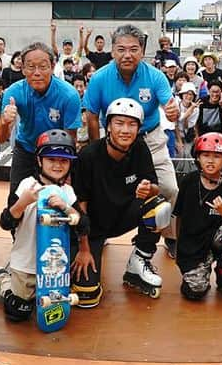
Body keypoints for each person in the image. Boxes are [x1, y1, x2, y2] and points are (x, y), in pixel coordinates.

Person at [82, 24, 180, 251]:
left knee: (169, 188)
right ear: (113, 50)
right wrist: (98, 149)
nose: (127, 55)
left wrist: (173, 111)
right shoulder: (99, 78)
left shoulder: (156, 77)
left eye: (134, 49)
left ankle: (170, 235)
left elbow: (169, 104)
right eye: (121, 49)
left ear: (143, 50)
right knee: (101, 191)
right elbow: (92, 116)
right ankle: (99, 231)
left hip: (151, 140)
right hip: (114, 143)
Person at [0, 131, 86, 321]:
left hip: (54, 266)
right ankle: (2, 279)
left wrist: (66, 207)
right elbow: (5, 222)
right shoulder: (27, 185)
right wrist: (23, 202)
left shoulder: (68, 192)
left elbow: (84, 225)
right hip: (25, 263)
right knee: (18, 311)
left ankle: (32, 292)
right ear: (39, 160)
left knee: (52, 308)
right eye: (51, 159)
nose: (58, 165)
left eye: (64, 161)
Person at [71, 99, 171, 306]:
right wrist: (84, 247)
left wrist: (148, 188)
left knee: (160, 206)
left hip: (123, 216)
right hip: (93, 227)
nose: (125, 130)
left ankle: (139, 260)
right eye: (119, 123)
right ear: (108, 125)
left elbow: (154, 187)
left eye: (132, 124)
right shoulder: (88, 156)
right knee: (87, 296)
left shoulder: (140, 149)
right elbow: (80, 205)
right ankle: (89, 251)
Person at [0, 42, 82, 212]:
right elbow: (0, 138)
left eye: (43, 67)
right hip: (26, 149)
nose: (37, 73)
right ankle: (17, 237)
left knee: (60, 200)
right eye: (30, 67)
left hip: (56, 153)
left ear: (52, 66)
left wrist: (68, 171)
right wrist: (5, 121)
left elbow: (71, 138)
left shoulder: (69, 95)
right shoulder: (13, 92)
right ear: (23, 69)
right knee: (16, 200)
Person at [173, 133, 222, 302]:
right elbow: (178, 216)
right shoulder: (188, 182)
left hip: (217, 240)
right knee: (195, 292)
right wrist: (179, 246)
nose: (210, 160)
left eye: (217, 156)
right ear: (198, 158)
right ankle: (200, 271)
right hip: (193, 244)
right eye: (206, 155)